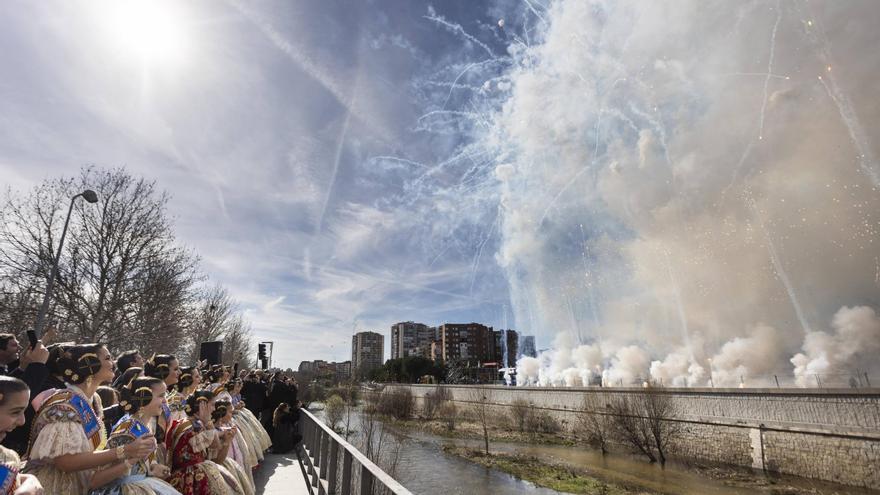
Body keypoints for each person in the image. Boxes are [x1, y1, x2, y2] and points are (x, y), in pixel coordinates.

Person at [23, 344, 156, 494]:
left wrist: (129, 458)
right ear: (90, 365)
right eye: (107, 358)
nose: (112, 363)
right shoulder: (65, 405)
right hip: (56, 487)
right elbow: (65, 462)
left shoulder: (94, 400)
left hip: (81, 484)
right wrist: (124, 450)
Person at [89, 376, 181, 495]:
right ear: (144, 398)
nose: (165, 401)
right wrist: (132, 462)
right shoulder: (127, 429)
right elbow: (103, 474)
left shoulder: (145, 424)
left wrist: (152, 468)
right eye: (161, 396)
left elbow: (139, 466)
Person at [165, 391, 244, 495]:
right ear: (202, 405)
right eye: (212, 405)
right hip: (190, 476)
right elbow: (216, 445)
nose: (214, 409)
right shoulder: (193, 428)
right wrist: (207, 421)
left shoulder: (192, 423)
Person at [0, 376, 43, 494]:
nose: (22, 421)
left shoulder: (8, 457)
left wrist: (30, 480)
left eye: (23, 412)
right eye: (15, 412)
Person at [144, 355, 181, 467]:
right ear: (163, 370)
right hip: (151, 457)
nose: (179, 372)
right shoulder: (149, 397)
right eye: (175, 369)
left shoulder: (166, 397)